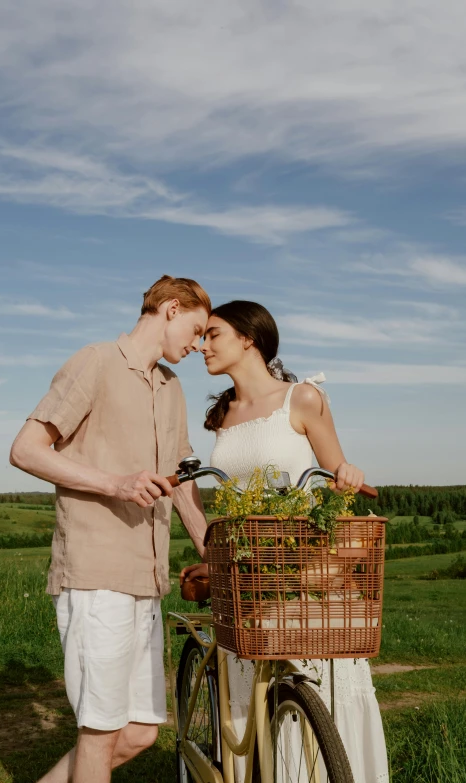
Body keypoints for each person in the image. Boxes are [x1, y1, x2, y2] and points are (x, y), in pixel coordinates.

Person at [10, 275, 212, 783]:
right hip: (97, 575)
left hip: (147, 580)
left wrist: (214, 548)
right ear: (170, 308)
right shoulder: (95, 362)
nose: (198, 343)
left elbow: (182, 479)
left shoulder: (171, 387)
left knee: (141, 731)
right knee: (98, 735)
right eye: (196, 328)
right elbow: (26, 450)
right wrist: (115, 484)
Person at [181, 300, 389, 783]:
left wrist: (348, 475)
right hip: (250, 570)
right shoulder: (223, 413)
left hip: (303, 559)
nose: (202, 346)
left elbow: (338, 476)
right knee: (248, 695)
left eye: (213, 335)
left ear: (248, 339)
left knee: (316, 683)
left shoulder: (303, 398)